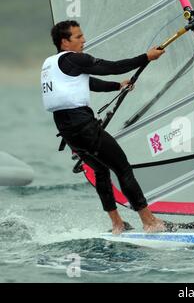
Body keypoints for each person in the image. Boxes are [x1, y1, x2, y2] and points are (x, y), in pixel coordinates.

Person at [41, 20, 167, 234]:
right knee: (123, 168)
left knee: (100, 169)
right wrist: (146, 57)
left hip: (68, 131)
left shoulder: (51, 64)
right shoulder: (74, 59)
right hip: (83, 125)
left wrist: (118, 86)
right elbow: (111, 67)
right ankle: (150, 222)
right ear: (65, 42)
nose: (84, 40)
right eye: (78, 37)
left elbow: (88, 83)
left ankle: (117, 224)